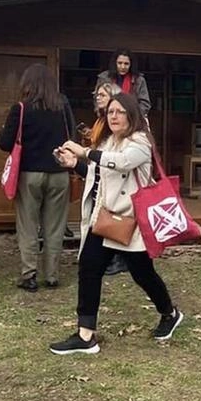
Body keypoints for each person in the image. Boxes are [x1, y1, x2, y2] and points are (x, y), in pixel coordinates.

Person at [49, 92, 183, 355]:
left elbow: (122, 164)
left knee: (143, 274)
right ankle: (85, 334)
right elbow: (99, 175)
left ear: (131, 114)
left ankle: (169, 313)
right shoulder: (109, 142)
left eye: (120, 111)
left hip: (131, 224)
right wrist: (75, 163)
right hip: (106, 219)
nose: (114, 116)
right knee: (88, 269)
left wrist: (85, 151)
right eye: (110, 112)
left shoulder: (140, 142)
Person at [0, 63, 77, 291]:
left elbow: (4, 143)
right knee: (55, 227)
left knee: (28, 225)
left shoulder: (21, 108)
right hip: (59, 173)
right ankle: (52, 275)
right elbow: (72, 136)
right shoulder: (62, 106)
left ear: (27, 84)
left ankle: (29, 274)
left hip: (29, 174)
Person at [85, 79, 130, 277]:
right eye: (97, 95)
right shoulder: (100, 120)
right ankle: (108, 258)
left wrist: (85, 152)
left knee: (117, 217)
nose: (98, 98)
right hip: (100, 174)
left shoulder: (132, 133)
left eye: (103, 94)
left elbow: (119, 158)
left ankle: (119, 258)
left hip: (117, 180)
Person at [96, 49, 152, 117]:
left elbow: (145, 103)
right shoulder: (104, 78)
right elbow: (97, 99)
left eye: (126, 64)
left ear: (131, 64)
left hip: (132, 119)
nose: (123, 67)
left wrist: (133, 116)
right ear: (114, 63)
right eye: (120, 63)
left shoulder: (139, 80)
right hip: (108, 116)